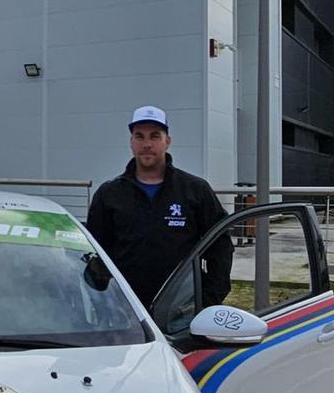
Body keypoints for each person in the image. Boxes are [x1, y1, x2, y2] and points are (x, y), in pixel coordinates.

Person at [85, 105, 232, 312]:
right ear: (131, 143)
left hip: (180, 311)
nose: (147, 144)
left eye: (155, 136)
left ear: (167, 141)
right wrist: (103, 300)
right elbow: (96, 253)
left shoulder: (194, 190)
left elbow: (221, 247)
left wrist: (207, 300)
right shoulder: (109, 194)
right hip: (126, 309)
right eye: (139, 136)